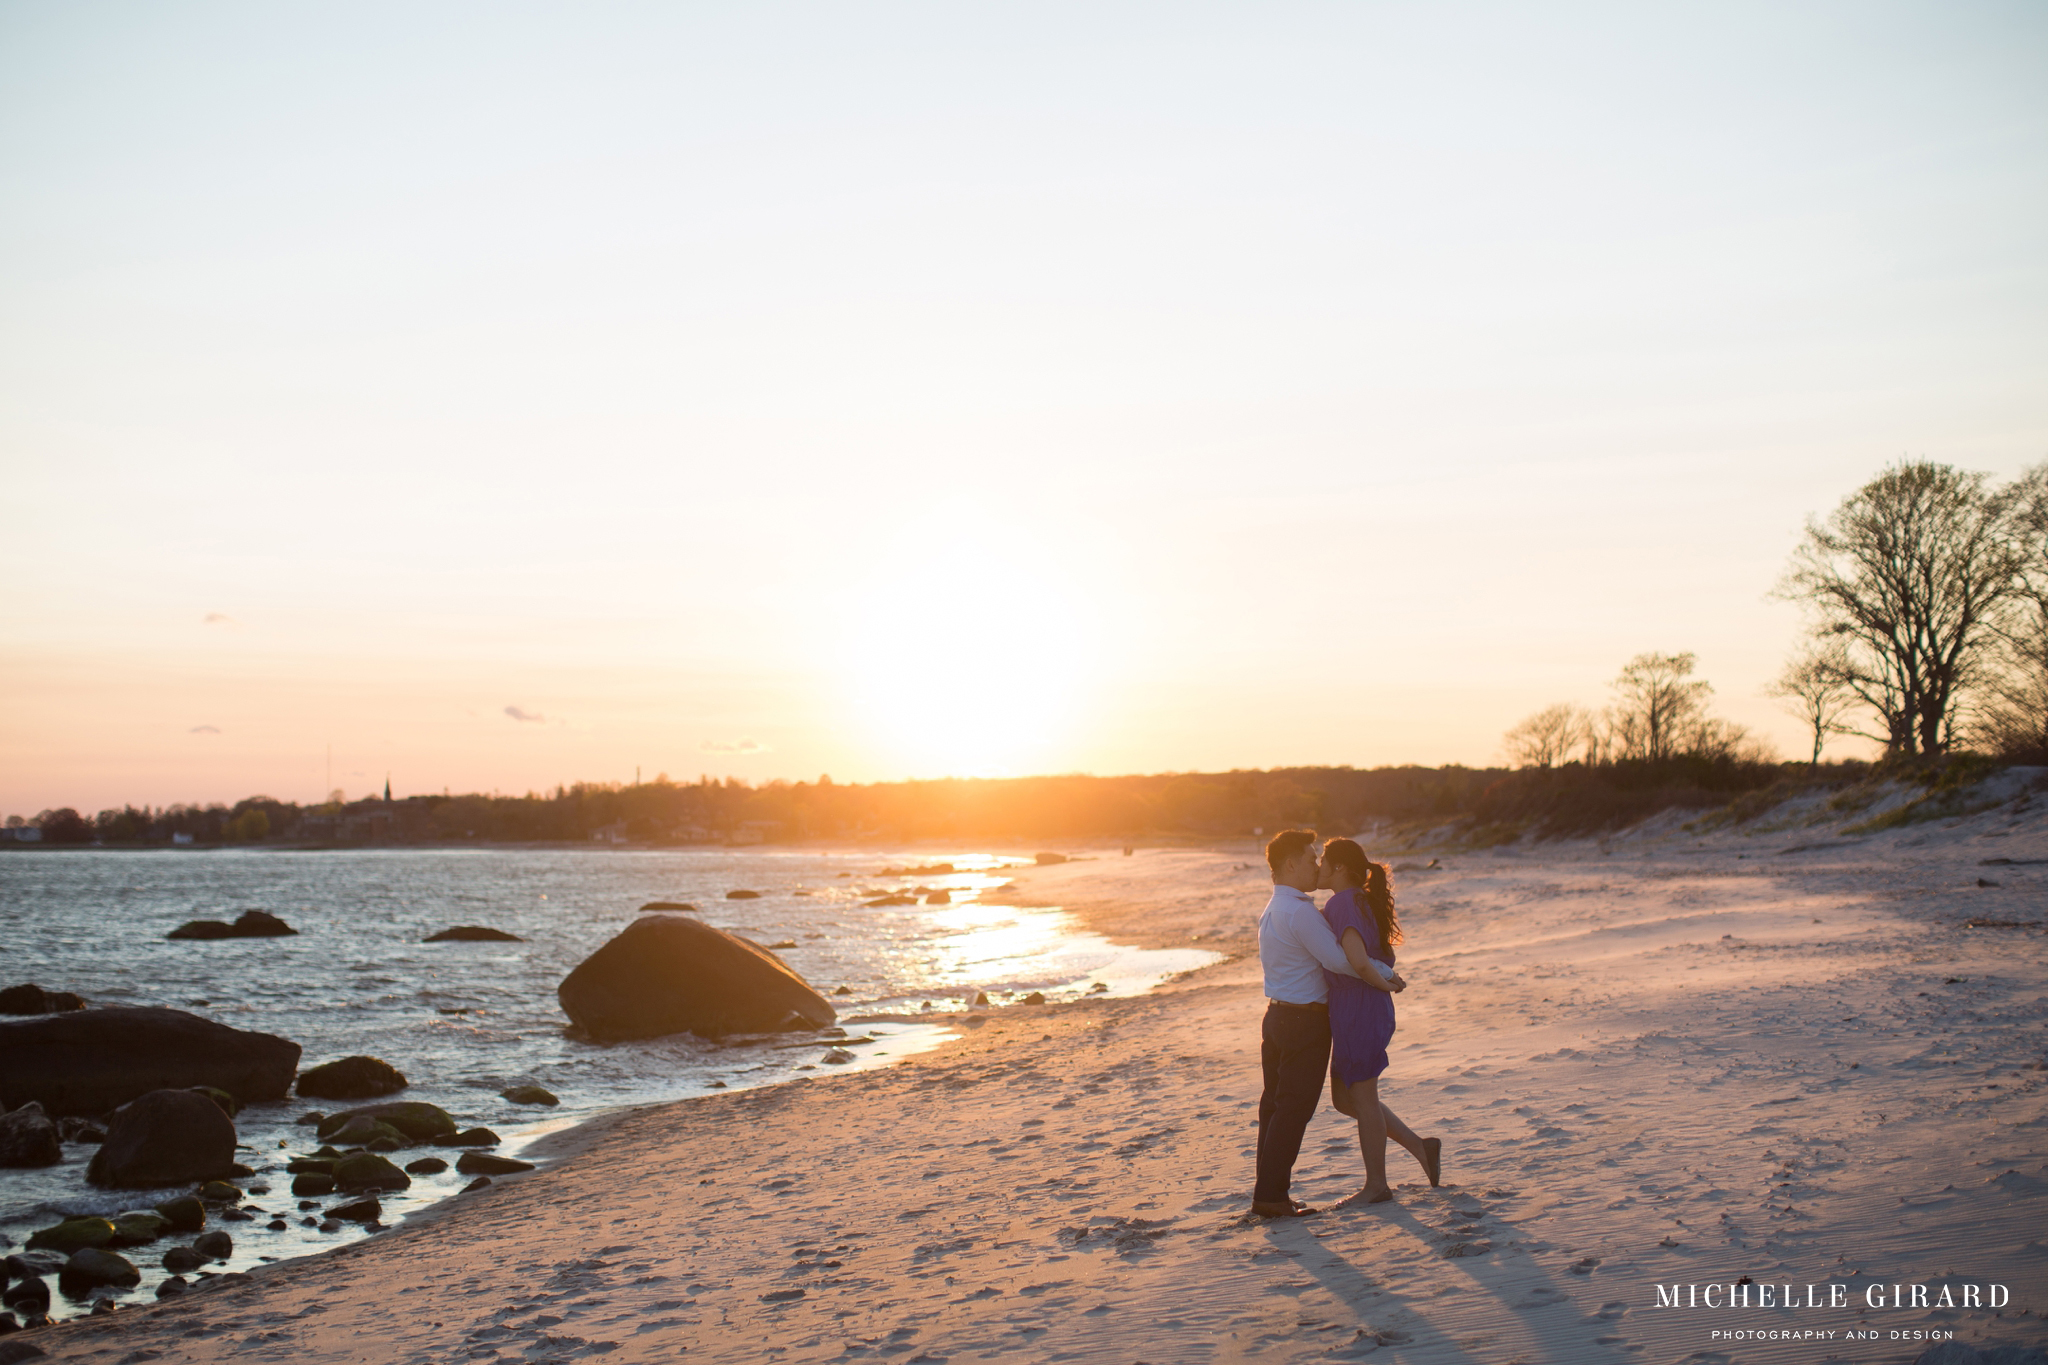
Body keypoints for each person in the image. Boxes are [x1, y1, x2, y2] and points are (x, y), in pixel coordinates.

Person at [1252, 828, 1368, 1218]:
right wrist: (1383, 972)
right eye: (1310, 858)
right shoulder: (1299, 910)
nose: (1317, 864)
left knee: (1274, 1107)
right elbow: (1338, 960)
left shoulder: (1274, 908)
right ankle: (1271, 1198)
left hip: (1277, 1017)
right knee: (1292, 1110)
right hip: (1304, 1021)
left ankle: (1269, 1193)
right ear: (1290, 864)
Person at [1317, 837, 1440, 1201]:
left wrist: (1383, 985)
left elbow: (1357, 959)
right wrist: (1381, 981)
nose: (1319, 867)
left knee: (1365, 1098)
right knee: (1344, 1098)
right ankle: (1421, 1147)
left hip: (1359, 1007)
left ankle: (1376, 1185)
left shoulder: (1341, 903)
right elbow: (1379, 955)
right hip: (1358, 1007)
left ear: (1339, 867)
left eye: (1323, 860)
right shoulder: (1361, 900)